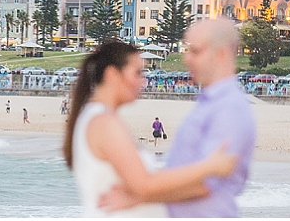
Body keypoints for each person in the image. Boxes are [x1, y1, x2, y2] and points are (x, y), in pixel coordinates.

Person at [101, 19, 257, 217]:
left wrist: (139, 197)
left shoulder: (229, 109)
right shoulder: (210, 103)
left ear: (222, 54)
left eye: (195, 51)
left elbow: (205, 182)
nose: (187, 59)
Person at [62, 41, 237, 217]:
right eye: (137, 73)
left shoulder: (99, 118)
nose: (143, 82)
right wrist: (209, 166)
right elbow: (145, 184)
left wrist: (201, 184)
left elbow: (147, 188)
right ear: (112, 75)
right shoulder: (103, 122)